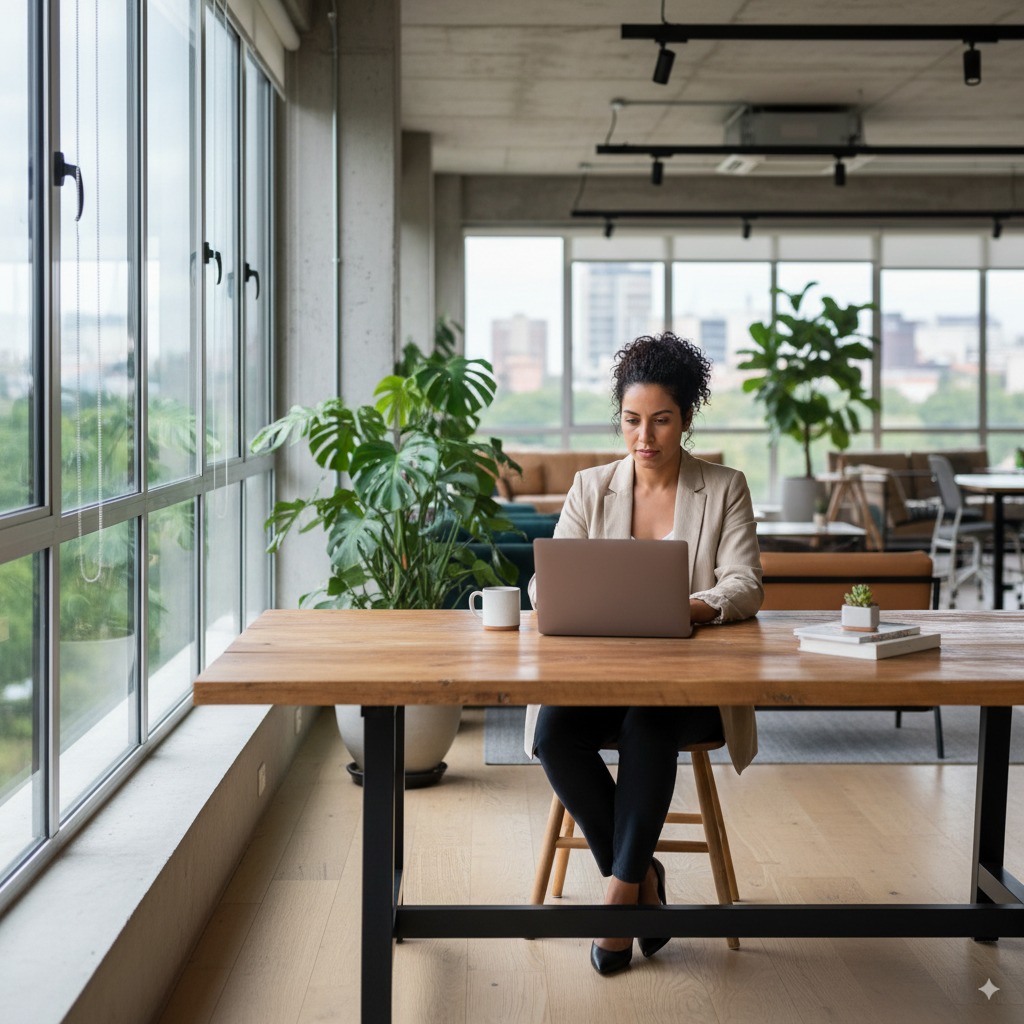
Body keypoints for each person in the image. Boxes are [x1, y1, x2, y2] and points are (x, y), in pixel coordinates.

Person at [524, 332, 763, 975]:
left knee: (649, 724)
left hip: (689, 687)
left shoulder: (724, 486)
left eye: (661, 420)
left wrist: (685, 607)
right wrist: (572, 593)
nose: (644, 437)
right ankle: (643, 882)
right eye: (632, 420)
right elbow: (546, 583)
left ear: (685, 417)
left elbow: (745, 584)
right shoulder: (591, 487)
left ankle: (618, 897)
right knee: (553, 735)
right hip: (601, 678)